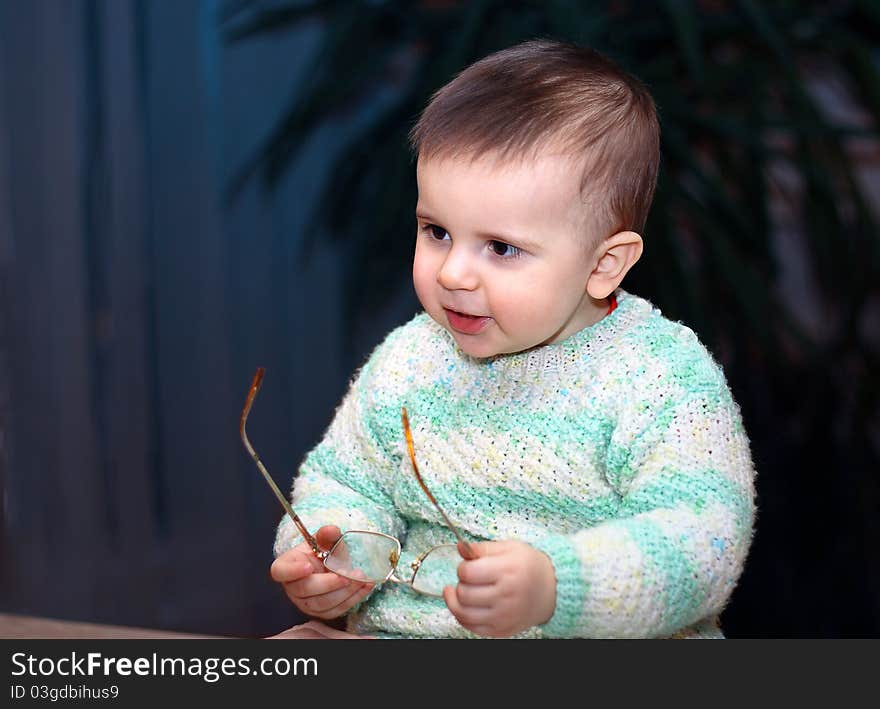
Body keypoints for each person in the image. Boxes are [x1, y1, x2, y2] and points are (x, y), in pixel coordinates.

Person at [268, 39, 756, 639]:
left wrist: (557, 586)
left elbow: (702, 540)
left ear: (604, 264)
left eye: (500, 248)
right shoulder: (410, 360)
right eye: (437, 231)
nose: (452, 274)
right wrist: (336, 554)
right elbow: (345, 481)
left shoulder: (659, 378)